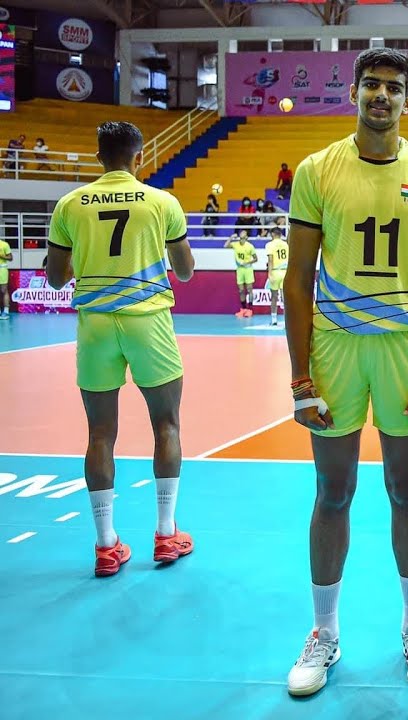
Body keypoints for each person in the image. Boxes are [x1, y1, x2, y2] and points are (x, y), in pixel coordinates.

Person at [282, 48, 408, 697]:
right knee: (332, 492)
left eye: (393, 87)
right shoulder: (317, 170)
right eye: (371, 85)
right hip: (335, 351)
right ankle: (324, 632)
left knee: (405, 488)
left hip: (405, 348)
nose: (381, 95)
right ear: (353, 92)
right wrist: (299, 376)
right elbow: (297, 279)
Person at [44, 121, 197, 577]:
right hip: (148, 321)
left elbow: (55, 278)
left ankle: (106, 545)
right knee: (166, 424)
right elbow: (185, 271)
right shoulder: (162, 202)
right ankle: (166, 533)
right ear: (139, 157)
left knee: (99, 435)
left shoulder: (70, 204)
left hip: (95, 326)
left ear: (99, 156)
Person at [225, 229, 256, 317]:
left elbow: (255, 259)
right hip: (240, 270)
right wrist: (231, 237)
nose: (241, 238)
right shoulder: (236, 244)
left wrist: (247, 262)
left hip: (248, 269)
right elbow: (225, 245)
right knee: (241, 290)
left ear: (246, 237)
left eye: (243, 236)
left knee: (249, 289)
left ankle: (250, 310)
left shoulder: (250, 246)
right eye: (240, 236)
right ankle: (243, 309)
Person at [264, 227, 288, 326]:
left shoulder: (269, 245)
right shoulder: (286, 244)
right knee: (284, 298)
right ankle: (287, 321)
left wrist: (269, 274)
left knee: (274, 297)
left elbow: (270, 260)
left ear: (272, 234)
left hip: (275, 272)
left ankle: (274, 319)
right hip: (285, 272)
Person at [0, 236, 11, 318]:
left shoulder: (4, 244)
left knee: (4, 290)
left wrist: (2, 256)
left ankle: (6, 311)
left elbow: (10, 257)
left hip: (2, 269)